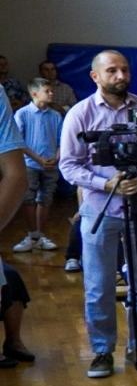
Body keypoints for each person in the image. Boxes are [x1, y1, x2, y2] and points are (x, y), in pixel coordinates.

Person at [58, 50, 137, 379]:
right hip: (101, 208)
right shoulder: (79, 115)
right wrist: (103, 182)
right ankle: (101, 350)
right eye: (112, 71)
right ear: (95, 76)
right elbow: (68, 165)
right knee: (98, 284)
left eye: (125, 70)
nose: (121, 76)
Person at [13, 77, 63, 254]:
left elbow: (61, 141)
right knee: (28, 199)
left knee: (45, 199)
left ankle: (39, 235)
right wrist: (38, 159)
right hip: (30, 164)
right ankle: (32, 235)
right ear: (34, 93)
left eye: (51, 91)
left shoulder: (56, 116)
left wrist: (56, 158)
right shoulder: (22, 114)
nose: (51, 93)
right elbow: (19, 142)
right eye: (47, 91)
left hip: (51, 165)